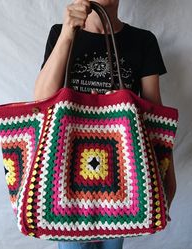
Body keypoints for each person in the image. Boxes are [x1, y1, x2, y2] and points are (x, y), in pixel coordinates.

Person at [34, 0, 177, 248]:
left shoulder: (143, 41)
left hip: (122, 178)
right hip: (66, 176)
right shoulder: (61, 32)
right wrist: (68, 31)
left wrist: (167, 173)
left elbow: (155, 117)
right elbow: (41, 101)